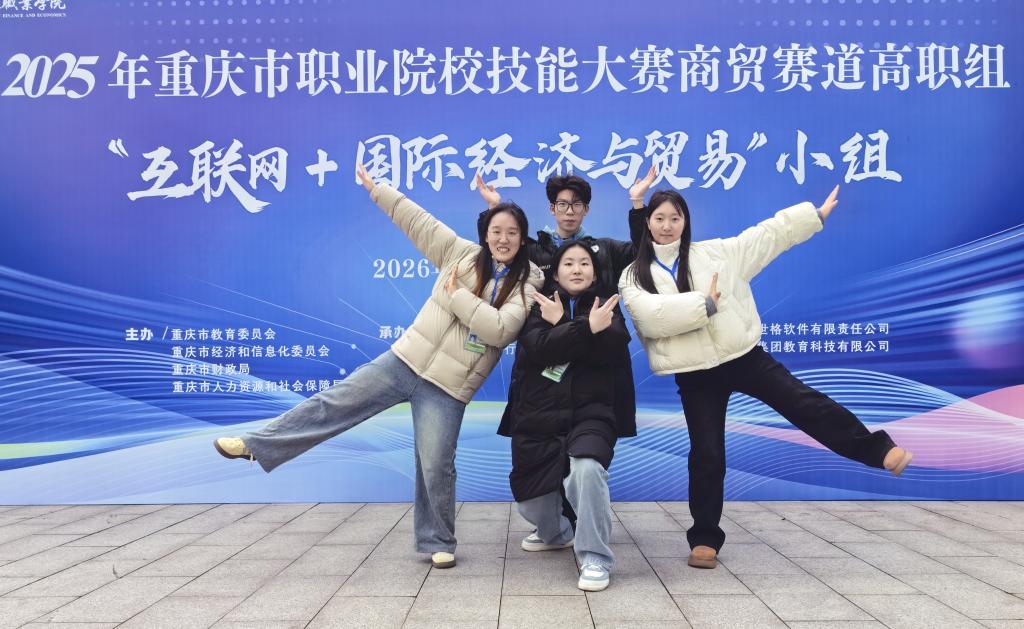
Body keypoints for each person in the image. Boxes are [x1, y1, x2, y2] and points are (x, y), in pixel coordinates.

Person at [213, 163, 543, 570]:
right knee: (334, 403)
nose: (503, 239)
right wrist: (378, 190)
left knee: (436, 464)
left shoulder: (528, 284)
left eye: (512, 233)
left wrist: (454, 295)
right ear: (485, 234)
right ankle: (257, 444)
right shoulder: (460, 254)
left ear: (522, 238)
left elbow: (498, 330)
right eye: (496, 231)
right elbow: (418, 221)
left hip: (448, 388)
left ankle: (438, 541)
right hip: (404, 360)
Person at [619, 184, 913, 570]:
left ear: (686, 221)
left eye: (675, 217)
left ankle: (878, 450)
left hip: (744, 356)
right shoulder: (634, 275)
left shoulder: (717, 253)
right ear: (647, 223)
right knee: (707, 454)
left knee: (802, 401)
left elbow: (766, 236)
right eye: (659, 218)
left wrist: (812, 216)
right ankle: (704, 538)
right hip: (695, 374)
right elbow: (651, 318)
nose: (667, 225)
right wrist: (705, 305)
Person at [477, 169, 653, 526]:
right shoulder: (535, 249)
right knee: (543, 456)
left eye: (576, 205)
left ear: (586, 210)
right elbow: (501, 246)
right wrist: (493, 209)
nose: (569, 211)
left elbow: (643, 254)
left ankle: (582, 528)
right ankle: (554, 527)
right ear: (551, 208)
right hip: (545, 370)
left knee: (585, 451)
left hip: (593, 368)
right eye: (562, 204)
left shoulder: (605, 250)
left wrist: (638, 204)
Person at [498, 241, 635, 592]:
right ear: (556, 272)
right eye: (569, 263)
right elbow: (540, 348)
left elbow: (611, 347)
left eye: (585, 263)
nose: (577, 269)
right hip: (539, 414)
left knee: (587, 469)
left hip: (593, 412)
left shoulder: (606, 304)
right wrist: (585, 328)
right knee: (530, 498)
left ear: (595, 272)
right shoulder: (538, 303)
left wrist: (564, 327)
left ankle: (595, 557)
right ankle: (556, 533)